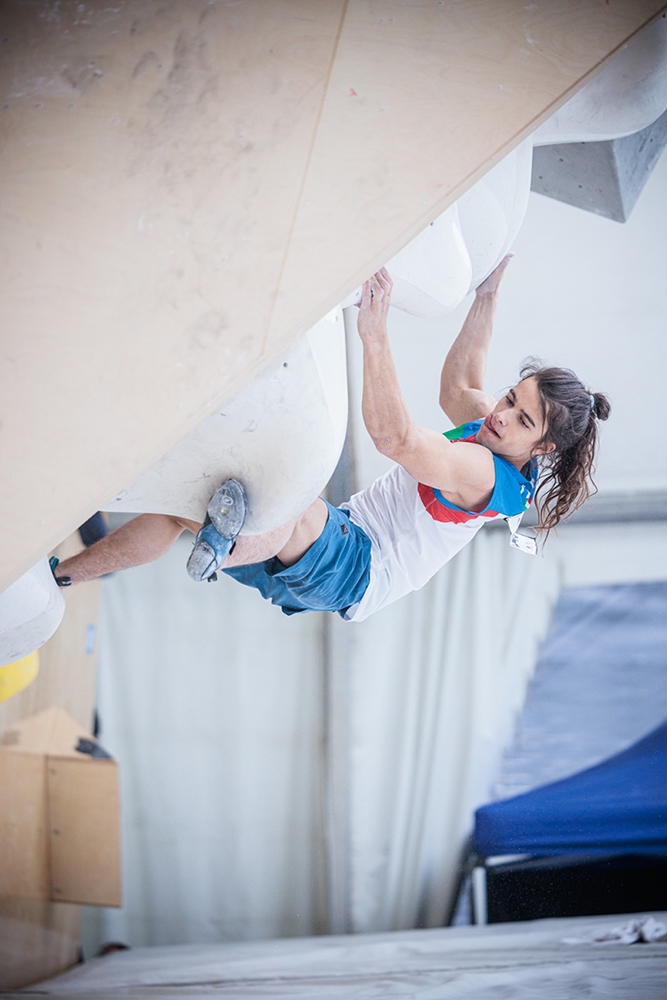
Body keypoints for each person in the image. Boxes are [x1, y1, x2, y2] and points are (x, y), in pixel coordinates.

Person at [53, 257, 610, 622]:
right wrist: (486, 295)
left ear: (541, 450)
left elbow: (393, 438)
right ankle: (62, 578)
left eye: (523, 419)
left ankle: (232, 541)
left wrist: (373, 333)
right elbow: (461, 382)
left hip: (356, 567)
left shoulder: (486, 475)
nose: (502, 414)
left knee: (289, 508)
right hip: (332, 557)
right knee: (182, 511)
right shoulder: (495, 430)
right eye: (512, 397)